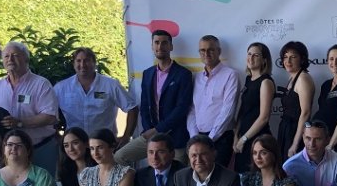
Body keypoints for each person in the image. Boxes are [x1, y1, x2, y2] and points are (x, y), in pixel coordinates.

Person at [115, 30, 193, 166]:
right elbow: (144, 106)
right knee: (119, 157)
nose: (160, 46)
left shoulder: (183, 74)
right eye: (156, 43)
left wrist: (158, 130)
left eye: (164, 43)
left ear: (171, 47)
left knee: (176, 178)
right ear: (152, 46)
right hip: (151, 135)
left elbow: (181, 108)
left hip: (175, 138)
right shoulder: (148, 74)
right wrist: (147, 130)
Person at [0, 42, 60, 175]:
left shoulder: (41, 84)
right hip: (9, 153)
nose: (10, 59)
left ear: (26, 59)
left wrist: (20, 122)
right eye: (6, 56)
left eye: (15, 55)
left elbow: (50, 116)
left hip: (40, 149)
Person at [54, 47, 138, 147]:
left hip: (105, 145)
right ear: (73, 64)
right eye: (78, 61)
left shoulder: (110, 85)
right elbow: (48, 112)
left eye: (87, 61)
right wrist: (56, 136)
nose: (82, 65)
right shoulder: (61, 88)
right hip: (74, 147)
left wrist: (127, 136)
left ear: (94, 63)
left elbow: (132, 108)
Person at [186, 35, 238, 168]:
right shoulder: (196, 77)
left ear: (219, 51)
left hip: (220, 139)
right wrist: (194, 137)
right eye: (202, 50)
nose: (206, 53)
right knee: (199, 178)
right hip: (198, 139)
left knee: (218, 180)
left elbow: (228, 110)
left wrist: (210, 139)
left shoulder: (230, 75)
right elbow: (192, 109)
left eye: (211, 50)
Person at [233, 42, 276, 173]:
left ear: (264, 60)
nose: (251, 58)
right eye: (249, 54)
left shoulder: (266, 82)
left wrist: (244, 139)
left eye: (256, 55)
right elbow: (243, 112)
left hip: (258, 139)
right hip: (243, 138)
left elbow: (263, 117)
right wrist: (236, 136)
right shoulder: (248, 79)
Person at [276, 41, 315, 159]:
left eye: (293, 57)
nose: (288, 61)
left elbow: (305, 113)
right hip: (286, 129)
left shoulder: (303, 78)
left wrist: (295, 143)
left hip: (296, 131)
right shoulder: (292, 78)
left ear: (302, 59)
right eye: (285, 57)